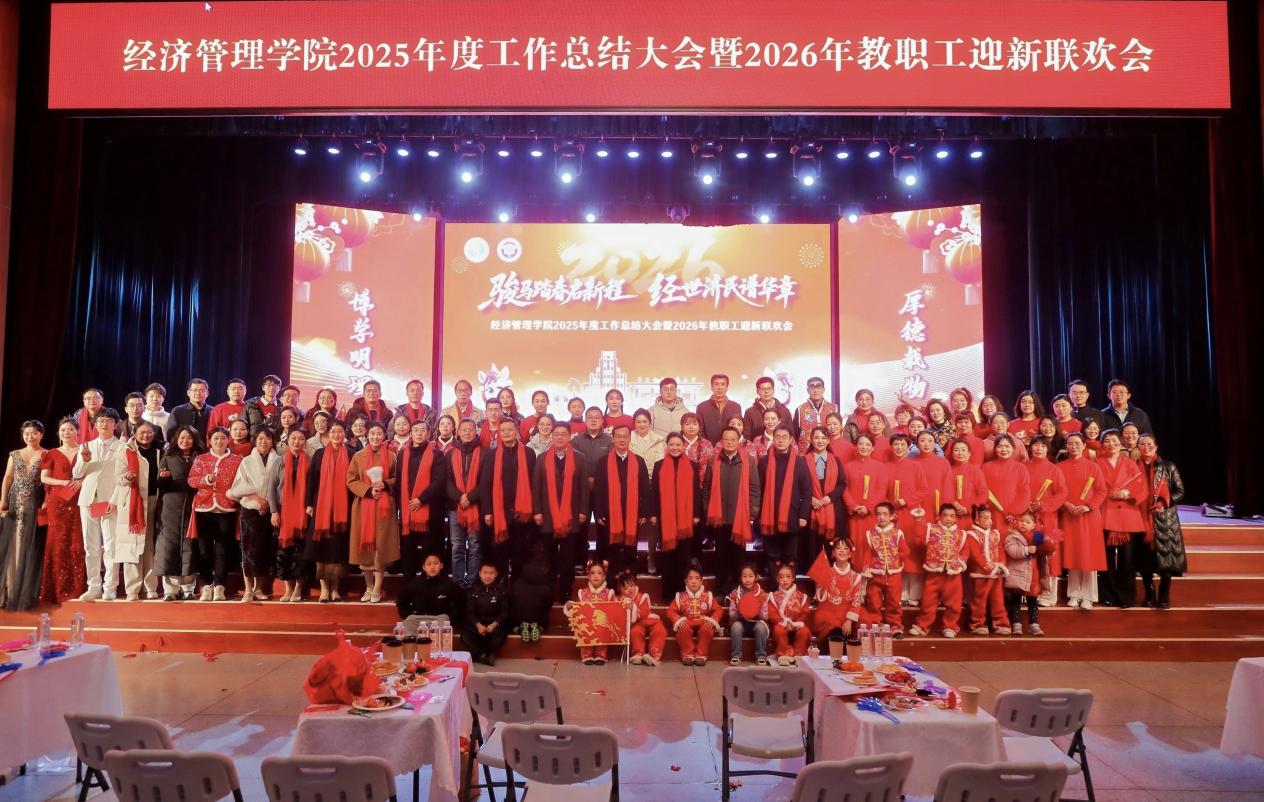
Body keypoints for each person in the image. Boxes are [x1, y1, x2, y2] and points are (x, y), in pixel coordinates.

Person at [533, 424, 591, 602]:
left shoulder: (579, 458)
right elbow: (536, 487)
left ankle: (566, 590)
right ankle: (549, 590)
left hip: (570, 515)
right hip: (547, 515)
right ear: (552, 436)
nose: (559, 437)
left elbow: (584, 488)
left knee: (567, 557)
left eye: (563, 434)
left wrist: (583, 511)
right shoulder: (542, 458)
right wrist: (537, 511)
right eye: (556, 434)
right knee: (548, 557)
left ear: (569, 436)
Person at [72, 411, 124, 600]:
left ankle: (110, 587)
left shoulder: (122, 446)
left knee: (111, 545)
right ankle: (93, 586)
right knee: (91, 546)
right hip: (88, 500)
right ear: (95, 424)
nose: (104, 424)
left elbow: (123, 476)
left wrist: (115, 500)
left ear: (115, 424)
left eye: (109, 421)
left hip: (109, 501)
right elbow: (77, 474)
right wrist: (85, 460)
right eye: (100, 421)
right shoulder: (87, 446)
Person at [187, 427, 243, 601]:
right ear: (210, 440)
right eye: (216, 438)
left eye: (223, 438)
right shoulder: (201, 459)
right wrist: (206, 480)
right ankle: (206, 585)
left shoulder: (237, 460)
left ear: (228, 440)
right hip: (203, 508)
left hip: (227, 508)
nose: (219, 441)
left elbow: (242, 482)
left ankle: (220, 586)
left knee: (222, 549)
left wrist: (233, 494)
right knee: (204, 550)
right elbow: (191, 480)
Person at [703, 427, 761, 593]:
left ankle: (738, 592)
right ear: (721, 441)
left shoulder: (748, 461)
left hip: (740, 517)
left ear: (739, 441)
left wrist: (752, 513)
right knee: (720, 556)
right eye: (726, 439)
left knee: (739, 557)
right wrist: (707, 510)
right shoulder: (713, 460)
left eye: (733, 439)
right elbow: (707, 487)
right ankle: (721, 591)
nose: (729, 442)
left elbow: (755, 488)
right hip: (719, 517)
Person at [227, 428, 281, 602]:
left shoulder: (279, 460)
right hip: (250, 510)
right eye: (260, 439)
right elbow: (237, 486)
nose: (263, 442)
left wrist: (269, 503)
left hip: (271, 511)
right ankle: (248, 589)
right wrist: (258, 498)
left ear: (273, 441)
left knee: (264, 550)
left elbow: (280, 486)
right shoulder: (247, 461)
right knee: (248, 550)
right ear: (255, 441)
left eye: (267, 438)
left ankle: (258, 588)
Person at [348, 422, 400, 603]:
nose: (376, 437)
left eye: (379, 433)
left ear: (384, 435)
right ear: (367, 435)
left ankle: (377, 586)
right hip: (364, 505)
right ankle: (368, 586)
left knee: (381, 547)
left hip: (384, 507)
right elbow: (351, 480)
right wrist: (368, 490)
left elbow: (396, 478)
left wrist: (385, 484)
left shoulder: (392, 456)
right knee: (365, 546)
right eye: (372, 433)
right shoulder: (358, 456)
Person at [38, 418, 87, 605]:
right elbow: (44, 478)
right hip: (57, 502)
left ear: (77, 431)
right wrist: (63, 482)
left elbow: (93, 473)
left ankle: (79, 588)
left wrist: (81, 482)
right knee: (57, 542)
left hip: (81, 500)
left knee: (78, 541)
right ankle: (57, 590)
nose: (66, 433)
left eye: (71, 429)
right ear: (59, 433)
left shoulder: (85, 450)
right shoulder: (51, 453)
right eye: (63, 430)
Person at [1098, 429, 1149, 608]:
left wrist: (1127, 493)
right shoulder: (1097, 463)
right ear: (1102, 444)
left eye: (1114, 440)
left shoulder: (1130, 464)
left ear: (1121, 443)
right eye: (1107, 441)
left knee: (1127, 559)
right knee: (1106, 559)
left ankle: (1126, 596)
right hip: (1105, 513)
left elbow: (1141, 486)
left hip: (1127, 514)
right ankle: (1108, 594)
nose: (1111, 444)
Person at [479, 418, 537, 576]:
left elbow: (534, 483)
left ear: (517, 431)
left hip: (521, 512)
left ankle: (518, 584)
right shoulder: (491, 455)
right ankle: (502, 583)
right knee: (500, 550)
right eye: (503, 430)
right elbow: (485, 485)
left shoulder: (528, 453)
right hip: (499, 511)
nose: (506, 433)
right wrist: (487, 511)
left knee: (519, 550)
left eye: (510, 430)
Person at [304, 420, 354, 603]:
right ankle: (324, 589)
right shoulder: (319, 454)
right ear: (328, 434)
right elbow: (311, 481)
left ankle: (335, 589)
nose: (336, 435)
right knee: (321, 549)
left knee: (338, 550)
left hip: (343, 510)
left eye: (339, 431)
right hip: (321, 509)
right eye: (333, 431)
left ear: (345, 433)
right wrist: (309, 504)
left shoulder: (352, 454)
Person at [1057, 432, 1108, 609]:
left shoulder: (1093, 467)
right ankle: (1074, 593)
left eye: (1077, 443)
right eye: (1070, 443)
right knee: (1073, 552)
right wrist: (1066, 504)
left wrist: (1088, 506)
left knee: (1088, 553)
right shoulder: (1060, 467)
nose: (1074, 446)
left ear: (1084, 445)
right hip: (1069, 514)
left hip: (1088, 516)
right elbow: (1057, 491)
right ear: (1066, 446)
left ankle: (1089, 595)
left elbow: (1102, 490)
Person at [0, 421, 47, 611]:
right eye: (27, 434)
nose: (30, 437)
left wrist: (46, 501)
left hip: (35, 503)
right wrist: (3, 500)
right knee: (13, 545)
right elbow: (8, 478)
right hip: (15, 504)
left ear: (41, 434)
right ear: (22, 435)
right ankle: (10, 591)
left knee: (31, 545)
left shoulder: (46, 454)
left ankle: (26, 593)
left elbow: (47, 483)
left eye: (34, 433)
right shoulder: (15, 454)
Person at [592, 425, 650, 576]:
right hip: (609, 514)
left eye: (625, 436)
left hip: (633, 513)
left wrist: (644, 512)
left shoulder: (639, 461)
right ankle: (610, 582)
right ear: (612, 439)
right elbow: (598, 490)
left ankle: (630, 582)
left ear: (630, 438)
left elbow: (645, 489)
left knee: (630, 551)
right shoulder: (603, 461)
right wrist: (598, 513)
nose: (622, 439)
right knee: (609, 551)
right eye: (618, 436)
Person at [1137, 434, 1186, 609]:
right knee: (1144, 559)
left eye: (1149, 444)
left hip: (1165, 519)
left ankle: (1164, 595)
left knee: (1166, 558)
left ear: (1156, 447)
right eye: (1142, 444)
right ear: (1138, 448)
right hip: (1140, 517)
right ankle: (1149, 593)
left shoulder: (1168, 466)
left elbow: (1180, 491)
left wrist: (1163, 503)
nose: (1146, 447)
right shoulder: (1133, 466)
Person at [652, 432, 701, 600]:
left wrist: (696, 514)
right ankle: (668, 595)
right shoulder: (659, 465)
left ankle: (683, 594)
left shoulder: (693, 466)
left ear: (683, 446)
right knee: (668, 557)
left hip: (685, 520)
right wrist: (653, 513)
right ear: (667, 446)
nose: (675, 447)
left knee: (684, 557)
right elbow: (654, 492)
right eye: (671, 444)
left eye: (678, 444)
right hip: (665, 519)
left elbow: (696, 492)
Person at [116, 421, 162, 600]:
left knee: (151, 545)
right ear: (134, 433)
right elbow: (118, 478)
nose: (146, 435)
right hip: (133, 503)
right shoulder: (126, 451)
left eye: (149, 432)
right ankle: (132, 589)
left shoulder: (160, 450)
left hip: (155, 501)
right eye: (142, 432)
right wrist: (126, 478)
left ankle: (151, 587)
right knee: (132, 546)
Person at [907, 505, 969, 638]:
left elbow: (965, 550)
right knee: (928, 601)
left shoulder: (961, 534)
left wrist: (961, 562)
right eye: (945, 515)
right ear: (939, 517)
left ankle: (950, 626)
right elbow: (919, 538)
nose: (948, 518)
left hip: (953, 574)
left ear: (956, 519)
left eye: (952, 516)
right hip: (934, 573)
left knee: (954, 603)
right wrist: (918, 520)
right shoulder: (931, 529)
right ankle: (922, 625)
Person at [757, 425, 811, 578]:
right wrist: (758, 514)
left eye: (784, 437)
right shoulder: (764, 462)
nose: (781, 440)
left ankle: (789, 590)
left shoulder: (800, 462)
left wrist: (803, 515)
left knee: (790, 556)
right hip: (769, 517)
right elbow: (758, 489)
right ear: (773, 439)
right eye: (778, 437)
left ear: (790, 440)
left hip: (792, 516)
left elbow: (807, 491)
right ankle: (775, 588)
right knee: (772, 556)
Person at [153, 426, 200, 601]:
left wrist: (180, 482)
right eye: (181, 438)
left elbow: (201, 483)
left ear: (194, 439)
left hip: (194, 507)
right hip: (170, 508)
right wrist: (165, 479)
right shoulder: (168, 457)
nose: (185, 441)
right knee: (168, 546)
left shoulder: (201, 458)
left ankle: (188, 588)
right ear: (176, 440)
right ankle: (170, 590)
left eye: (189, 437)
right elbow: (160, 484)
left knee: (191, 546)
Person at [397, 420, 445, 578]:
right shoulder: (402, 454)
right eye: (416, 430)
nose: (419, 433)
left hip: (430, 511)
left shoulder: (437, 454)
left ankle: (429, 584)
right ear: (410, 433)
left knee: (430, 550)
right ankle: (409, 585)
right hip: (407, 512)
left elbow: (439, 481)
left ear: (428, 433)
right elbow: (399, 481)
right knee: (408, 551)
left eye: (423, 430)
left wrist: (421, 499)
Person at [1025, 436, 1068, 607]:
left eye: (1043, 446)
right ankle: (1028, 590)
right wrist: (1025, 505)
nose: (1039, 449)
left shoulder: (1054, 469)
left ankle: (1049, 593)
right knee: (1028, 553)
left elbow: (1062, 493)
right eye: (1036, 445)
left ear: (1047, 449)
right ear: (1030, 447)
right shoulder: (1023, 467)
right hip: (1027, 517)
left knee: (1048, 553)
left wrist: (1044, 505)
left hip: (1047, 517)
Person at [271, 427, 313, 602]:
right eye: (294, 438)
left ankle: (298, 588)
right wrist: (274, 511)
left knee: (300, 553)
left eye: (301, 438)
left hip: (304, 513)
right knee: (284, 553)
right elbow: (271, 488)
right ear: (288, 440)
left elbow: (313, 486)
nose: (297, 442)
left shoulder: (310, 460)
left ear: (305, 441)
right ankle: (288, 588)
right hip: (283, 513)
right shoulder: (279, 461)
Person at [446, 419, 484, 589]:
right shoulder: (449, 454)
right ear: (458, 432)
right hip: (455, 507)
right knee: (457, 546)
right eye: (464, 430)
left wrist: (470, 497)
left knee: (475, 545)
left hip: (476, 506)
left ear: (476, 432)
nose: (467, 432)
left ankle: (472, 581)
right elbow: (447, 481)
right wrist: (460, 497)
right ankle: (458, 582)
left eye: (471, 429)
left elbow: (486, 481)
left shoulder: (484, 453)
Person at [842, 433, 889, 568]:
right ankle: (856, 574)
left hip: (872, 514)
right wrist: (854, 506)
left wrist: (868, 507)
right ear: (856, 446)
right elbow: (844, 489)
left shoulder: (880, 467)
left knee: (872, 544)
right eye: (861, 444)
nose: (864, 447)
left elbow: (881, 490)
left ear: (873, 448)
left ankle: (872, 576)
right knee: (854, 543)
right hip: (854, 514)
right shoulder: (848, 466)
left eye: (868, 444)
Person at [860, 502, 907, 635]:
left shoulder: (897, 533)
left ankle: (895, 626)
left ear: (892, 516)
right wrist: (867, 568)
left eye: (885, 514)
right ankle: (875, 624)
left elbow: (905, 551)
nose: (881, 517)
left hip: (893, 574)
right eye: (878, 514)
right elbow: (867, 553)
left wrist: (896, 559)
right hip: (875, 574)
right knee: (873, 601)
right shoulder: (870, 534)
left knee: (894, 601)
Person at [666, 561, 724, 666]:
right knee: (683, 629)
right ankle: (687, 654)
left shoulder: (708, 596)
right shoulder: (680, 597)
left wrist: (713, 620)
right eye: (690, 578)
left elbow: (718, 610)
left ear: (702, 581)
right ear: (685, 581)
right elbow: (670, 611)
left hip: (703, 621)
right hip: (687, 621)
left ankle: (701, 654)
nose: (693, 581)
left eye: (697, 578)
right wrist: (678, 620)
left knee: (707, 628)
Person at [803, 427, 846, 569]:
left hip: (832, 509)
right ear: (811, 440)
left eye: (823, 438)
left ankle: (833, 578)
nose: (820, 441)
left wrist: (829, 498)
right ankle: (815, 579)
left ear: (828, 440)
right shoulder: (803, 461)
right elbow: (798, 485)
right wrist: (810, 499)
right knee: (812, 546)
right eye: (816, 437)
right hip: (810, 510)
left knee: (831, 546)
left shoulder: (836, 461)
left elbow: (842, 484)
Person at [807, 537, 866, 640]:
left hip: (847, 612)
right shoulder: (827, 572)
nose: (842, 550)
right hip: (829, 612)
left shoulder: (856, 577)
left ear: (850, 554)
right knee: (832, 628)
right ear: (833, 553)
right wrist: (821, 583)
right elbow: (820, 598)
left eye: (845, 548)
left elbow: (856, 601)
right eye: (838, 548)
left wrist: (849, 620)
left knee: (863, 622)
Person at [965, 506, 1011, 635]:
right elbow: (975, 555)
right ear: (977, 520)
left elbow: (1000, 550)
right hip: (981, 574)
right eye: (986, 518)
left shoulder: (995, 534)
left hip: (996, 574)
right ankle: (977, 623)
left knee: (998, 600)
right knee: (979, 600)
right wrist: (987, 566)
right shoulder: (972, 535)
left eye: (990, 518)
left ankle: (1001, 623)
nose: (990, 520)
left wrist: (1001, 565)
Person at [1005, 511, 1052, 636]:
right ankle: (1016, 624)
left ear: (1034, 525)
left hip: (1033, 575)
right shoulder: (1012, 537)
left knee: (1033, 600)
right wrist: (1026, 550)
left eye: (1028, 522)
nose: (1024, 524)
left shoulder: (1038, 537)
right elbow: (1012, 551)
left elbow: (1048, 551)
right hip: (1017, 574)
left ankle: (1034, 624)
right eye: (1021, 521)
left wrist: (1048, 545)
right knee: (1015, 600)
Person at [566, 560, 617, 665]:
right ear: (588, 576)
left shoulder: (609, 593)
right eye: (592, 573)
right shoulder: (582, 593)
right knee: (585, 628)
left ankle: (601, 655)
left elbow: (615, 609)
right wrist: (570, 607)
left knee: (603, 629)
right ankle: (587, 654)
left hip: (603, 623)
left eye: (599, 573)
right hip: (588, 621)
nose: (596, 576)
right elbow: (577, 610)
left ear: (604, 576)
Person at [981, 435, 1031, 529]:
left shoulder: (1020, 468)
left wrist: (1014, 512)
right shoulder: (985, 467)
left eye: (1007, 446)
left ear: (1013, 449)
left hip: (1014, 516)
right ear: (995, 449)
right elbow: (981, 490)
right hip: (990, 514)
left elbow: (1024, 493)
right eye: (1000, 446)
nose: (1004, 449)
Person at [397, 552, 463, 623]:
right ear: (424, 567)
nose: (432, 567)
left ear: (441, 565)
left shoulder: (450, 585)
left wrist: (450, 617)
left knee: (443, 620)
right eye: (428, 564)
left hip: (440, 620)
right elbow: (401, 602)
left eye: (435, 563)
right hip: (418, 619)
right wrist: (410, 615)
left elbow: (460, 605)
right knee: (408, 623)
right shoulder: (413, 584)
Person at [463, 562, 509, 666]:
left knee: (500, 637)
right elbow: (469, 612)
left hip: (494, 624)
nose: (487, 576)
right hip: (477, 625)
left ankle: (479, 655)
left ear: (496, 574)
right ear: (480, 573)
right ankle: (484, 656)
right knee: (465, 636)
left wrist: (495, 623)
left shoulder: (501, 590)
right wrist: (478, 625)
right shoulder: (473, 589)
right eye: (485, 573)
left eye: (491, 573)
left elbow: (504, 611)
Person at [726, 564, 770, 665]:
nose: (747, 579)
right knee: (736, 627)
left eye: (751, 576)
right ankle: (736, 655)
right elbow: (731, 614)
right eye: (744, 576)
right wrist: (741, 612)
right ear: (740, 578)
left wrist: (756, 612)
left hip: (756, 622)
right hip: (741, 622)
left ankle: (761, 655)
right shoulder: (735, 594)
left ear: (756, 577)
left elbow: (765, 616)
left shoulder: (762, 594)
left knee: (761, 628)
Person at [768, 564, 811, 665]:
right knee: (778, 630)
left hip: (796, 624)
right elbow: (772, 614)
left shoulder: (801, 596)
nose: (785, 580)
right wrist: (783, 622)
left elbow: (805, 613)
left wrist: (796, 623)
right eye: (781, 577)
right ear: (777, 579)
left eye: (788, 577)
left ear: (793, 578)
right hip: (781, 624)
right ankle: (783, 655)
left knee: (804, 631)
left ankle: (799, 654)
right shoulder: (773, 597)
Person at [510, 542, 552, 643]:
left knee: (514, 606)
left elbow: (510, 600)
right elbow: (548, 604)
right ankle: (539, 626)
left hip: (519, 615)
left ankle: (519, 626)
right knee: (543, 608)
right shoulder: (546, 585)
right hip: (539, 614)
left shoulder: (517, 583)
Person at [696, 373, 742, 445]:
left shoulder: (736, 406)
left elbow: (738, 429)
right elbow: (700, 431)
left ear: (727, 387)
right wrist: (708, 446)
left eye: (723, 384)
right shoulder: (701, 407)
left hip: (730, 447)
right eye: (716, 384)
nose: (719, 387)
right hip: (708, 447)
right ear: (711, 387)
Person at [743, 376, 793, 441]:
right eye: (763, 389)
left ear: (773, 390)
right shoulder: (750, 412)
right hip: (757, 446)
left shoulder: (784, 411)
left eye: (769, 388)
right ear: (757, 391)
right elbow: (747, 437)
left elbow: (791, 434)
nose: (766, 391)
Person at [948, 438, 988, 519]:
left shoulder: (975, 471)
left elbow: (983, 494)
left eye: (963, 450)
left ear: (969, 453)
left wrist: (968, 508)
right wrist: (954, 504)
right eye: (956, 450)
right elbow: (945, 492)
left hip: (970, 515)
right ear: (952, 453)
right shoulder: (948, 471)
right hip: (951, 515)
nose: (960, 453)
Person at [794, 377, 836, 453]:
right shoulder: (800, 409)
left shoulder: (833, 408)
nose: (815, 390)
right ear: (808, 390)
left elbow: (838, 433)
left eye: (818, 387)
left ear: (823, 390)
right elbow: (795, 435)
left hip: (829, 453)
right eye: (812, 387)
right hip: (806, 454)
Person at [571, 407, 613, 474]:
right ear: (585, 421)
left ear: (602, 421)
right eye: (590, 417)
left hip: (603, 478)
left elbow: (611, 464)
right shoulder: (576, 441)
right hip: (582, 478)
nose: (593, 420)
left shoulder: (610, 440)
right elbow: (574, 465)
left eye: (597, 418)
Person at [679, 413, 715, 482]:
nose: (691, 427)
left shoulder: (707, 444)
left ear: (699, 427)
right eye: (687, 424)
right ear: (682, 427)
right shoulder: (676, 443)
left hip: (701, 483)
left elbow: (711, 466)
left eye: (694, 424)